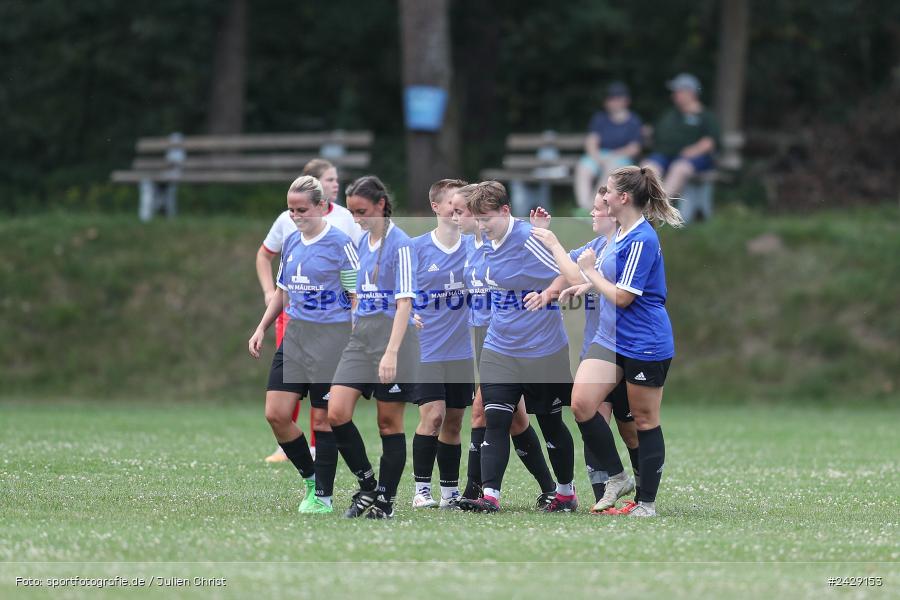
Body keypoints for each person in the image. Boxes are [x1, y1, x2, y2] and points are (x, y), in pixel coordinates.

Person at [537, 166, 681, 517]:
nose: (602, 197)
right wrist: (586, 280)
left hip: (645, 341)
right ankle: (617, 476)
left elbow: (622, 298)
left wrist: (590, 274)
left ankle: (646, 502)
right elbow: (599, 278)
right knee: (582, 404)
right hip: (610, 339)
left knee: (644, 421)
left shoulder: (642, 239)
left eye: (609, 192)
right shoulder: (615, 236)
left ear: (623, 198)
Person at [459, 181, 578, 514]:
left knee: (550, 422)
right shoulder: (483, 243)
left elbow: (568, 274)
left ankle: (565, 493)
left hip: (543, 348)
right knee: (495, 419)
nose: (482, 227)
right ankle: (490, 495)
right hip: (500, 345)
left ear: (505, 211)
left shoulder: (529, 238)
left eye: (487, 219)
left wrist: (548, 294)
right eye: (478, 220)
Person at [247, 175, 358, 514]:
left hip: (330, 341)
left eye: (302, 210)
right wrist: (262, 327)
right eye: (291, 209)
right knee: (276, 414)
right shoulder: (293, 242)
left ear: (322, 207)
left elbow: (356, 296)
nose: (295, 216)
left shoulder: (340, 244)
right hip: (294, 339)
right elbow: (283, 290)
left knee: (323, 421)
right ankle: (310, 479)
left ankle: (322, 496)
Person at [531, 188, 642, 511]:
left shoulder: (626, 248)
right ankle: (603, 497)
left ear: (613, 212)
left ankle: (643, 493)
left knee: (631, 429)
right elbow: (565, 273)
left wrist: (556, 246)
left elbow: (606, 283)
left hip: (628, 349)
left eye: (596, 209)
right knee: (593, 420)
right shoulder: (592, 248)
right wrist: (551, 291)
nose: (592, 214)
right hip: (598, 351)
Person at [328, 175, 420, 520]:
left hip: (393, 338)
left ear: (381, 204)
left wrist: (392, 352)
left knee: (388, 423)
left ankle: (385, 499)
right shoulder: (361, 243)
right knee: (336, 412)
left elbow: (405, 302)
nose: (357, 219)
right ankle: (367, 485)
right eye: (352, 212)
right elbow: (356, 289)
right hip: (361, 336)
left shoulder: (402, 244)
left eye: (362, 211)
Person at [409, 179, 474, 509]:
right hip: (427, 348)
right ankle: (421, 490)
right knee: (433, 416)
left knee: (454, 422)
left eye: (463, 204)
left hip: (463, 351)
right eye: (452, 203)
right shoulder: (415, 248)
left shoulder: (475, 246)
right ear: (436, 207)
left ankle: (450, 491)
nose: (458, 209)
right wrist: (407, 318)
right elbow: (395, 293)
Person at [642, 73, 720, 198]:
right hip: (665, 155)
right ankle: (646, 204)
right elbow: (655, 131)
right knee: (647, 168)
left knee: (679, 168)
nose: (673, 95)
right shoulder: (671, 114)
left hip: (693, 159)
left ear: (690, 93)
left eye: (677, 91)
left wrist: (693, 150)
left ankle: (660, 205)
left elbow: (709, 142)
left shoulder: (706, 116)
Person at [574, 82, 642, 213]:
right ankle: (582, 207)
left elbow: (634, 148)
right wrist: (597, 157)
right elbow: (591, 141)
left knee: (611, 170)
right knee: (583, 167)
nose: (612, 102)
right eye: (610, 99)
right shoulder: (600, 118)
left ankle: (591, 208)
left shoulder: (633, 121)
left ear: (626, 101)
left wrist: (614, 156)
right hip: (600, 155)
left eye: (616, 98)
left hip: (621, 158)